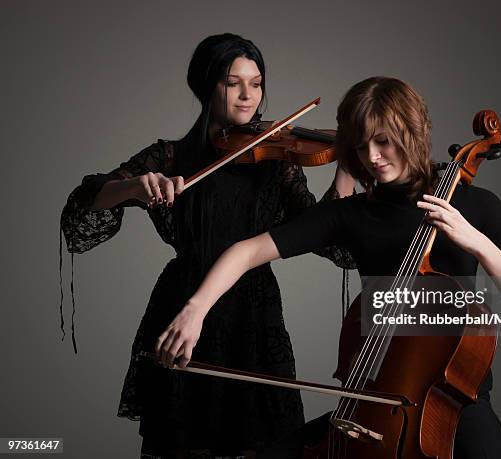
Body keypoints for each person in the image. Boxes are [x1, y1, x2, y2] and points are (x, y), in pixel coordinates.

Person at [156, 76, 501, 458]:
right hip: (373, 401)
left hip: (457, 402)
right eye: (362, 147)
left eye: (383, 142)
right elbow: (245, 252)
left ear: (412, 131)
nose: (373, 158)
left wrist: (474, 240)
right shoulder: (351, 215)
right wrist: (195, 311)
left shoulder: (477, 206)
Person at [60, 33, 354, 458]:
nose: (248, 95)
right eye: (233, 82)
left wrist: (346, 165)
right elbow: (84, 208)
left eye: (256, 83)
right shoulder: (170, 157)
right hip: (183, 304)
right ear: (206, 85)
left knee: (266, 445)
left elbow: (328, 237)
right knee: (181, 442)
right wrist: (132, 188)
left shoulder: (276, 162)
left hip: (254, 314)